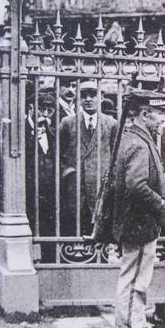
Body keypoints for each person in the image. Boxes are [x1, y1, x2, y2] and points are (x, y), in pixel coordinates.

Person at [107, 80, 165, 328]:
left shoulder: (139, 138)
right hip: (138, 223)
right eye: (160, 113)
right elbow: (136, 185)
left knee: (140, 279)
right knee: (134, 279)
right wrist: (161, 203)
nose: (164, 118)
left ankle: (137, 324)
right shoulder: (137, 142)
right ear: (144, 114)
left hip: (140, 223)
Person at [58, 80, 119, 236]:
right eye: (84, 95)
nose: (88, 99)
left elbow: (116, 156)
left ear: (101, 97)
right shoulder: (67, 123)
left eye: (93, 95)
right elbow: (58, 153)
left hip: (100, 190)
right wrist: (68, 173)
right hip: (75, 190)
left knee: (99, 236)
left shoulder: (111, 124)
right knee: (74, 234)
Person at [25, 91, 57, 237]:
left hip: (49, 193)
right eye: (41, 109)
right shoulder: (20, 130)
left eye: (49, 110)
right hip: (27, 193)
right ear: (31, 108)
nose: (45, 114)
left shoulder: (53, 133)